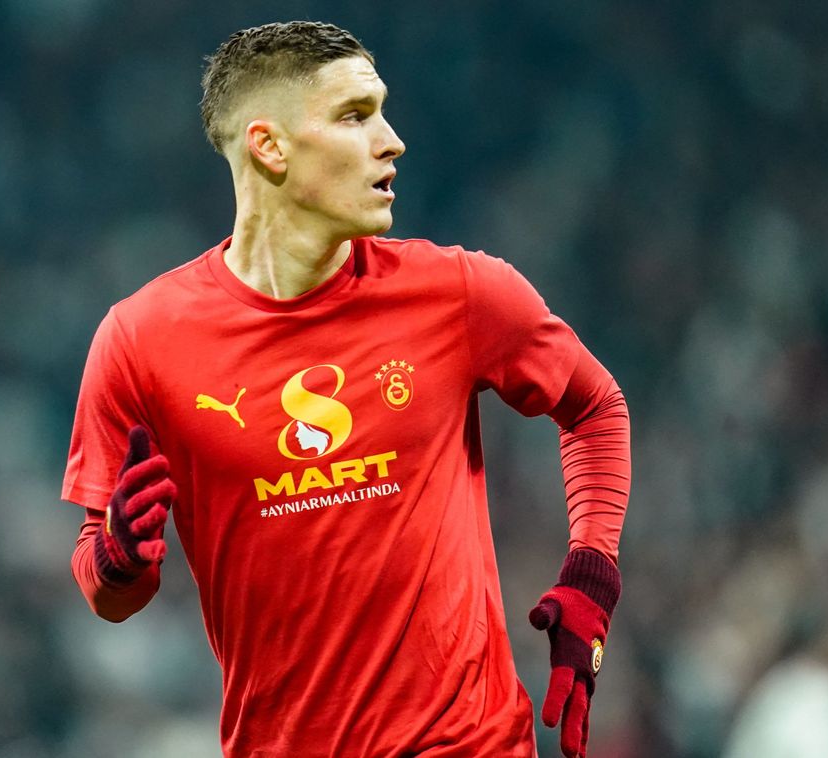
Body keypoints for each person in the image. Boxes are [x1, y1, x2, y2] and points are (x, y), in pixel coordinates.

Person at [61, 21, 631, 758]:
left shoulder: (462, 293)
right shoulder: (140, 341)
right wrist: (118, 558)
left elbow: (593, 406)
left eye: (382, 112)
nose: (392, 142)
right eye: (355, 117)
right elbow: (107, 593)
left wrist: (591, 574)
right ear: (269, 147)